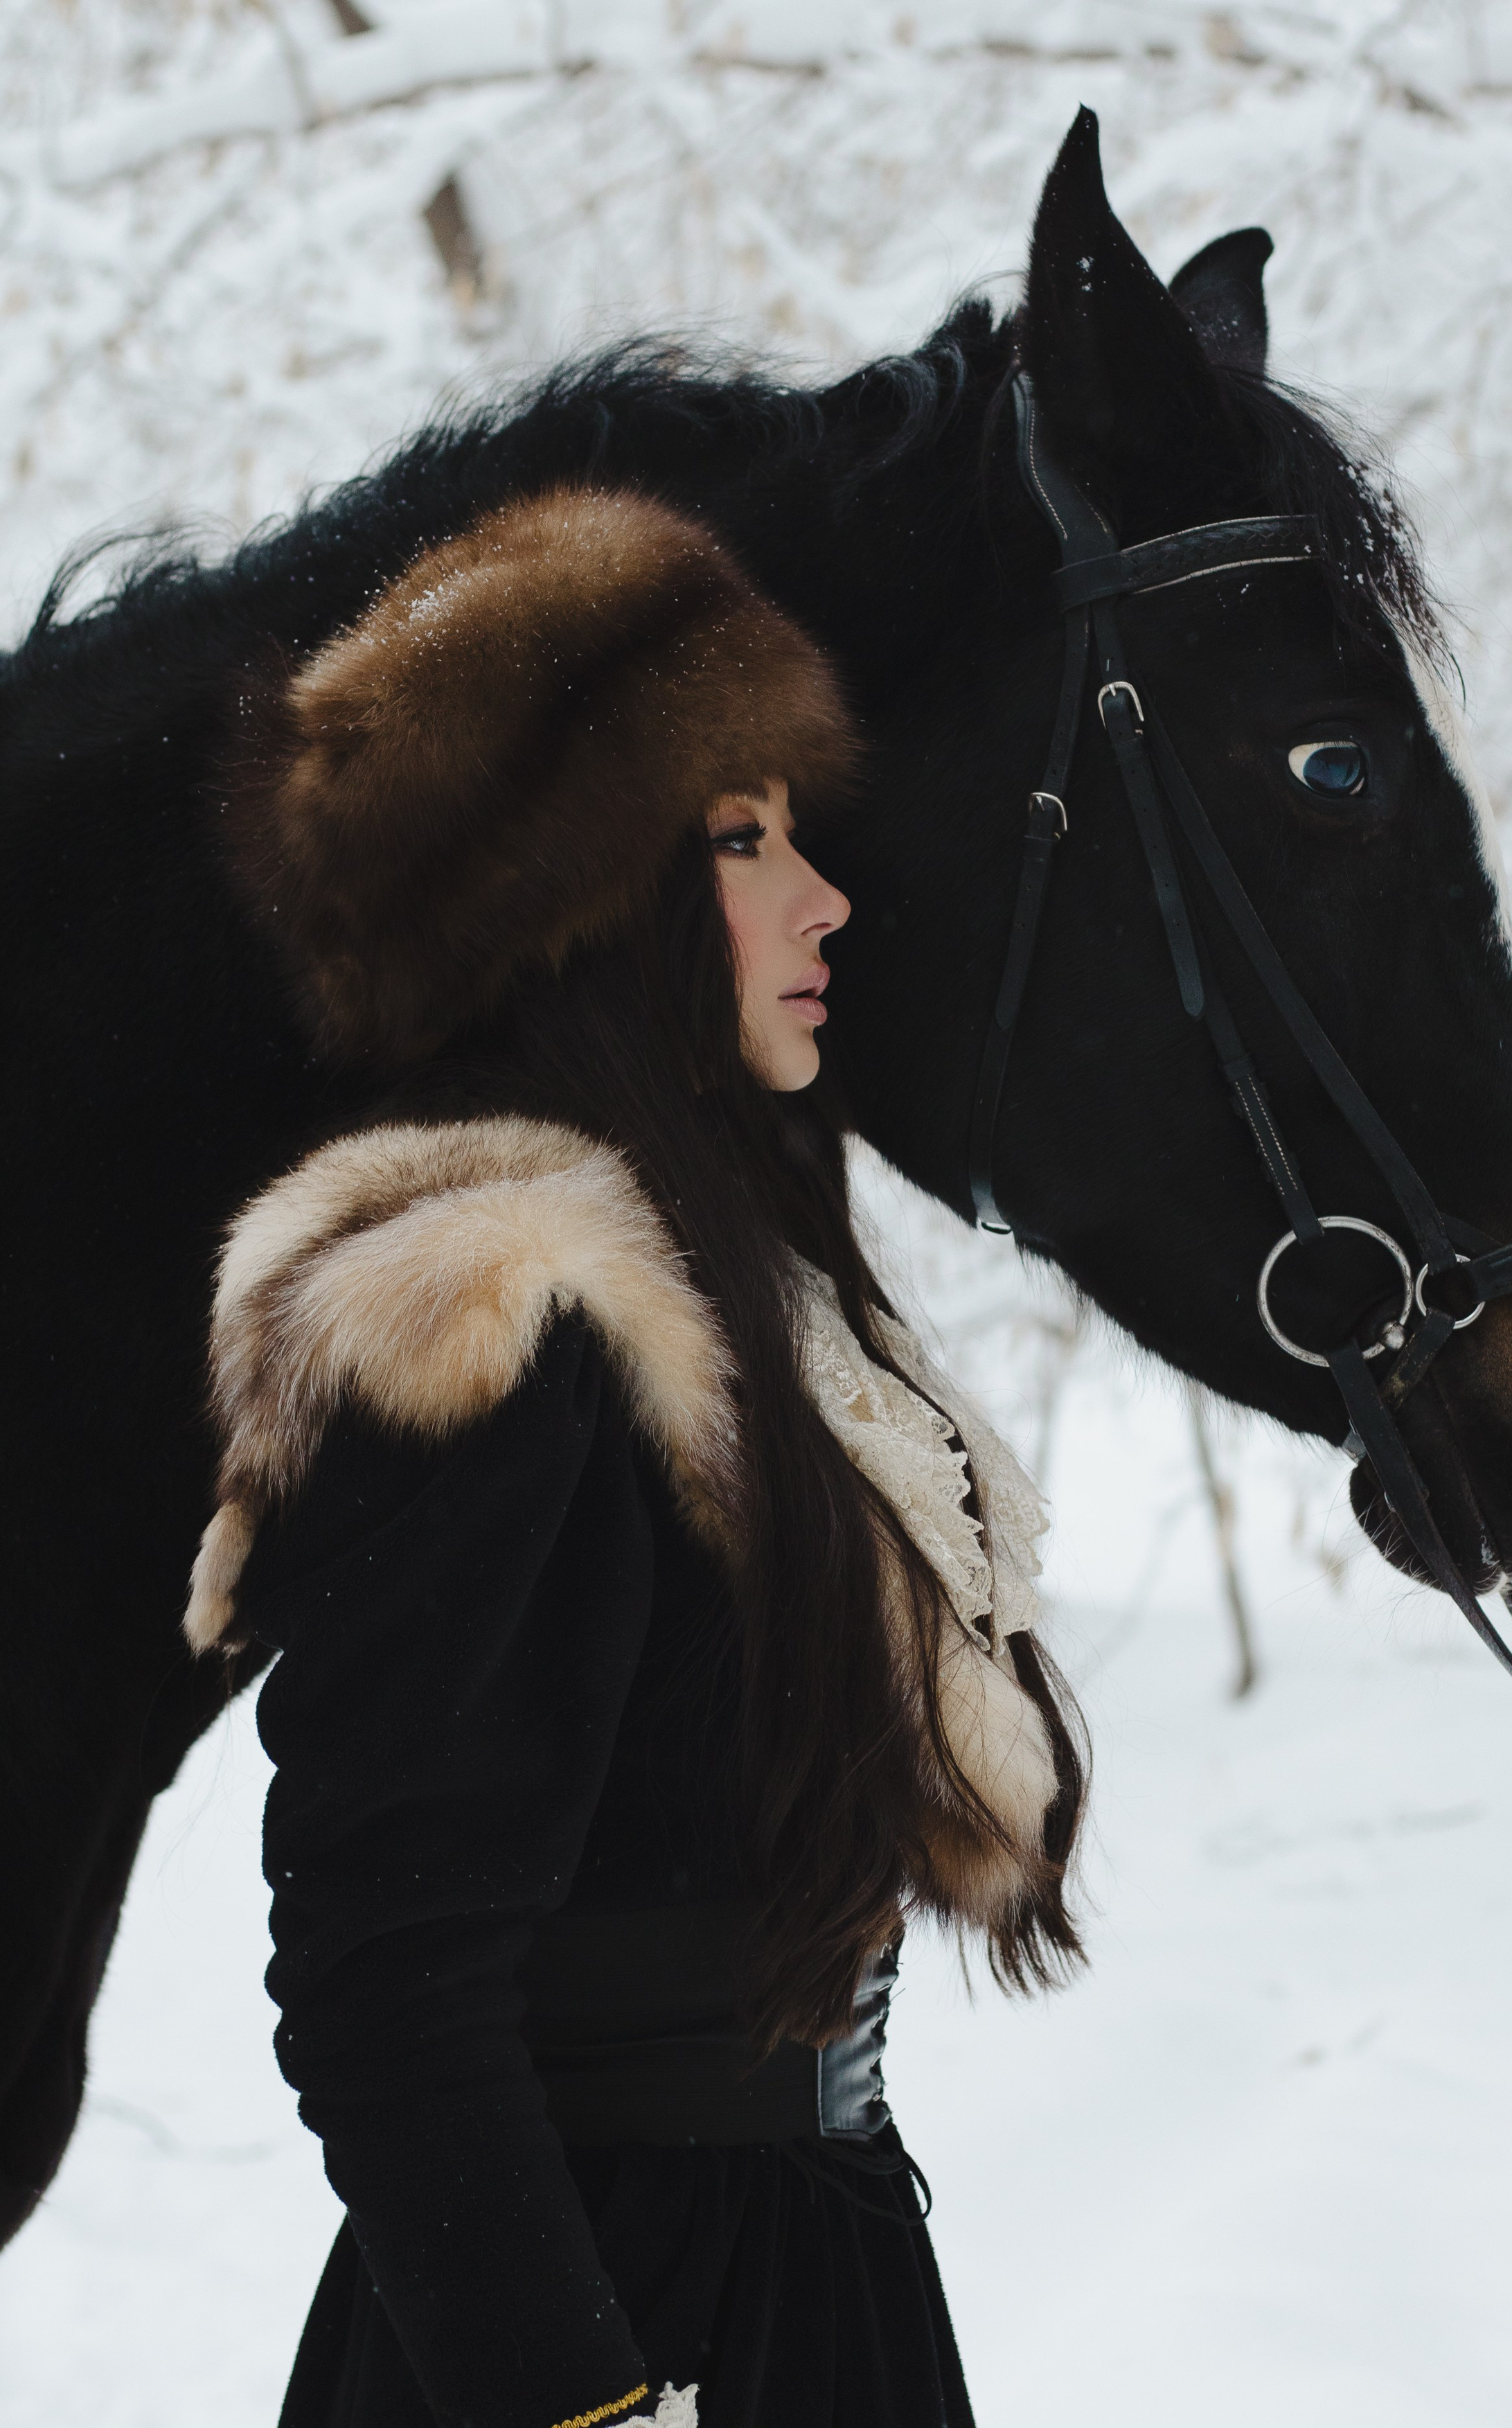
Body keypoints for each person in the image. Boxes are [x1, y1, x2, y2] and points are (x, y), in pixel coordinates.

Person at [184, 484, 1088, 2428]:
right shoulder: (475, 1314)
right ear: (582, 901)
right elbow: (380, 1986)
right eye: (741, 838)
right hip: (612, 2325)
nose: (817, 895)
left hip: (800, 2263)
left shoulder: (735, 1288)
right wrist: (581, 2405)